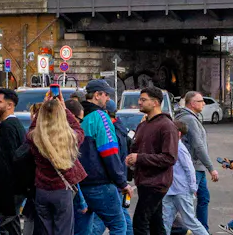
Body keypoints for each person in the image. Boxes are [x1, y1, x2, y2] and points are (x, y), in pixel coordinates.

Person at [27, 97, 85, 235]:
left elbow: (32, 128)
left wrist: (43, 108)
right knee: (64, 230)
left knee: (45, 231)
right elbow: (78, 128)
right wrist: (64, 108)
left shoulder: (35, 138)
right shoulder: (70, 138)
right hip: (61, 190)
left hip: (41, 189)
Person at [76, 83, 127, 235]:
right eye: (106, 95)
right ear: (97, 95)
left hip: (79, 184)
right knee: (118, 226)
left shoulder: (78, 116)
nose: (108, 99)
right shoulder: (101, 117)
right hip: (99, 182)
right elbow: (109, 151)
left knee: (83, 229)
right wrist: (121, 181)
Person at [127, 89, 179, 235]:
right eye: (140, 99)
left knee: (140, 222)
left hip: (156, 183)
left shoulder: (167, 126)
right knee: (156, 224)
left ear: (155, 102)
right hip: (144, 180)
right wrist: (132, 159)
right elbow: (137, 148)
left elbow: (170, 158)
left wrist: (140, 158)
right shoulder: (143, 124)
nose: (139, 102)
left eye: (143, 100)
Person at [0, 90, 27, 235]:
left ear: (10, 105)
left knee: (2, 226)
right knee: (11, 227)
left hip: (9, 190)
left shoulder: (7, 127)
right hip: (15, 189)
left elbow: (6, 161)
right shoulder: (15, 124)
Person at [163, 108, 209, 235]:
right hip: (170, 189)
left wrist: (192, 187)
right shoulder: (170, 146)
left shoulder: (180, 148)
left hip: (182, 190)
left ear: (178, 134)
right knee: (165, 221)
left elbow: (189, 169)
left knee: (190, 221)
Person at [179, 93, 218, 231]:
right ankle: (195, 230)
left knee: (203, 198)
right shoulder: (189, 119)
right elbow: (198, 145)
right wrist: (211, 168)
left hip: (197, 167)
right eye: (200, 101)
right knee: (187, 202)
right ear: (192, 104)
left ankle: (202, 229)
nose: (204, 103)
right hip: (194, 166)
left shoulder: (191, 118)